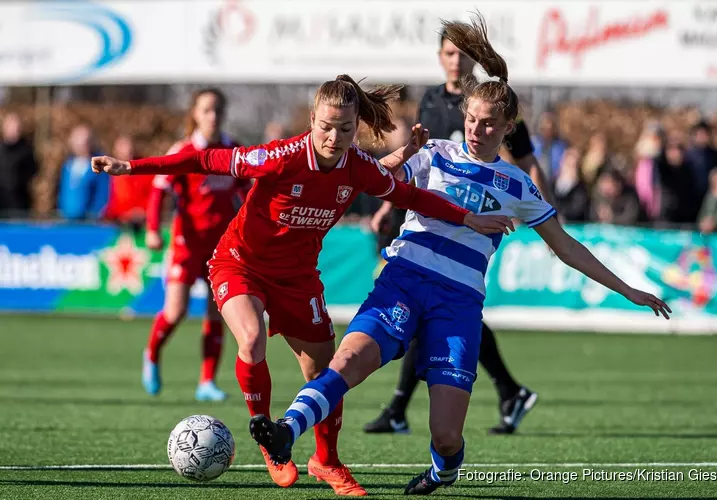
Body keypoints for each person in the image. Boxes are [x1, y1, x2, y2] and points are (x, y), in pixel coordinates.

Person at [247, 15, 671, 496]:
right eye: (470, 119)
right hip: (403, 279)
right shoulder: (436, 154)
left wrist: (629, 290)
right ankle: (286, 431)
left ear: (509, 127)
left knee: (446, 436)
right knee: (347, 362)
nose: (476, 129)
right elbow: (380, 175)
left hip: (458, 304)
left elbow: (566, 246)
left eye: (489, 123)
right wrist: (385, 163)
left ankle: (442, 471)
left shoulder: (518, 185)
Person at [91, 74, 511, 496]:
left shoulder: (358, 167)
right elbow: (203, 160)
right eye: (326, 126)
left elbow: (411, 197)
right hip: (241, 264)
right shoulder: (278, 157)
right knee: (251, 340)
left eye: (346, 129)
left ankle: (326, 461)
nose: (334, 136)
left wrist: (466, 217)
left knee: (326, 373)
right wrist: (132, 168)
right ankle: (271, 446)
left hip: (297, 278)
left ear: (355, 128)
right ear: (312, 119)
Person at [365, 23, 558, 436]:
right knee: (431, 309)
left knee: (439, 308)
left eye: (462, 55)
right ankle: (504, 390)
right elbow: (416, 160)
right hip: (425, 215)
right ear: (440, 58)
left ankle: (402, 407)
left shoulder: (496, 104)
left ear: (472, 60)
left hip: (473, 223)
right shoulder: (433, 99)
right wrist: (386, 206)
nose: (455, 61)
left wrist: (543, 213)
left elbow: (526, 163)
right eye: (449, 54)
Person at [139, 88, 242, 403]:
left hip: (220, 248)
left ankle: (207, 382)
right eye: (206, 110)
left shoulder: (233, 150)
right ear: (195, 114)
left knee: (217, 313)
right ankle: (152, 353)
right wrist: (154, 230)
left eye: (217, 110)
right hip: (187, 244)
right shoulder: (184, 150)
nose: (213, 116)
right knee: (176, 311)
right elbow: (160, 190)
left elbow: (250, 192)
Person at [58, 124, 109, 220]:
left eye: (85, 141)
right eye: (78, 141)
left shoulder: (99, 165)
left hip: (89, 221)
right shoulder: (67, 165)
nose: (81, 145)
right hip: (67, 219)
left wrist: (95, 214)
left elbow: (103, 193)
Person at [0, 112, 37, 218]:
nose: (13, 130)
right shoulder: (1, 150)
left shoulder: (27, 151)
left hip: (20, 202)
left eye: (16, 127)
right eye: (10, 126)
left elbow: (33, 172)